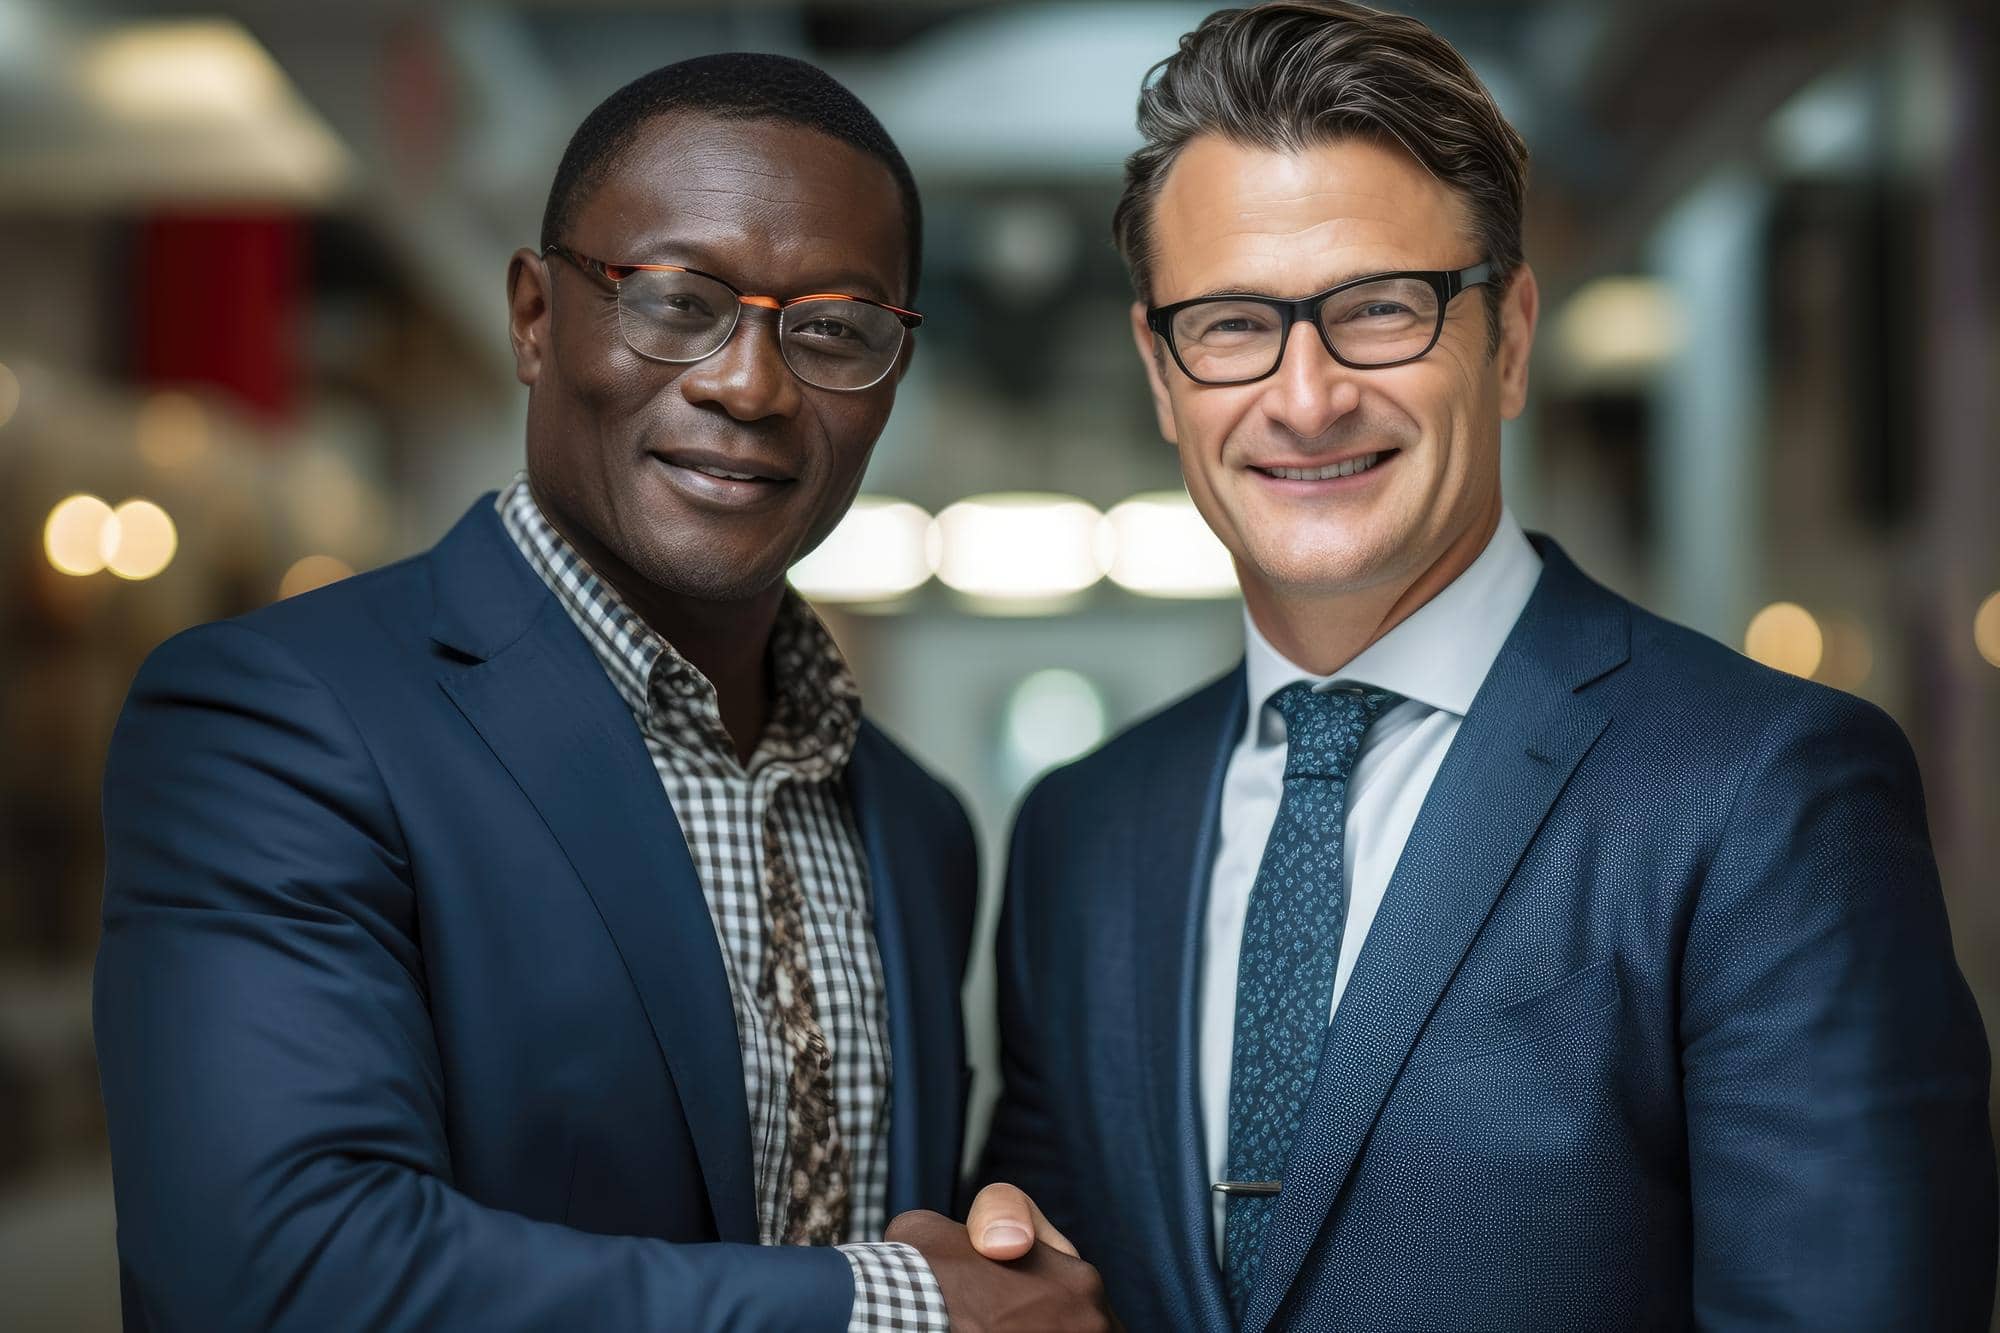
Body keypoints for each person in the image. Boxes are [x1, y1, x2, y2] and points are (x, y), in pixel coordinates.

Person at [968, 3, 1998, 1329]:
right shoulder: (1084, 830)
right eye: (1231, 325)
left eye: (1379, 309)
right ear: (1162, 375)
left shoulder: (1764, 789)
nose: (1306, 394)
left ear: (1507, 337)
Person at [94, 53, 1107, 1331]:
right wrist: (898, 1302)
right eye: (677, 301)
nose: (748, 384)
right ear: (532, 316)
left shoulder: (914, 824)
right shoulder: (279, 723)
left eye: (834, 329)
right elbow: (274, 1269)